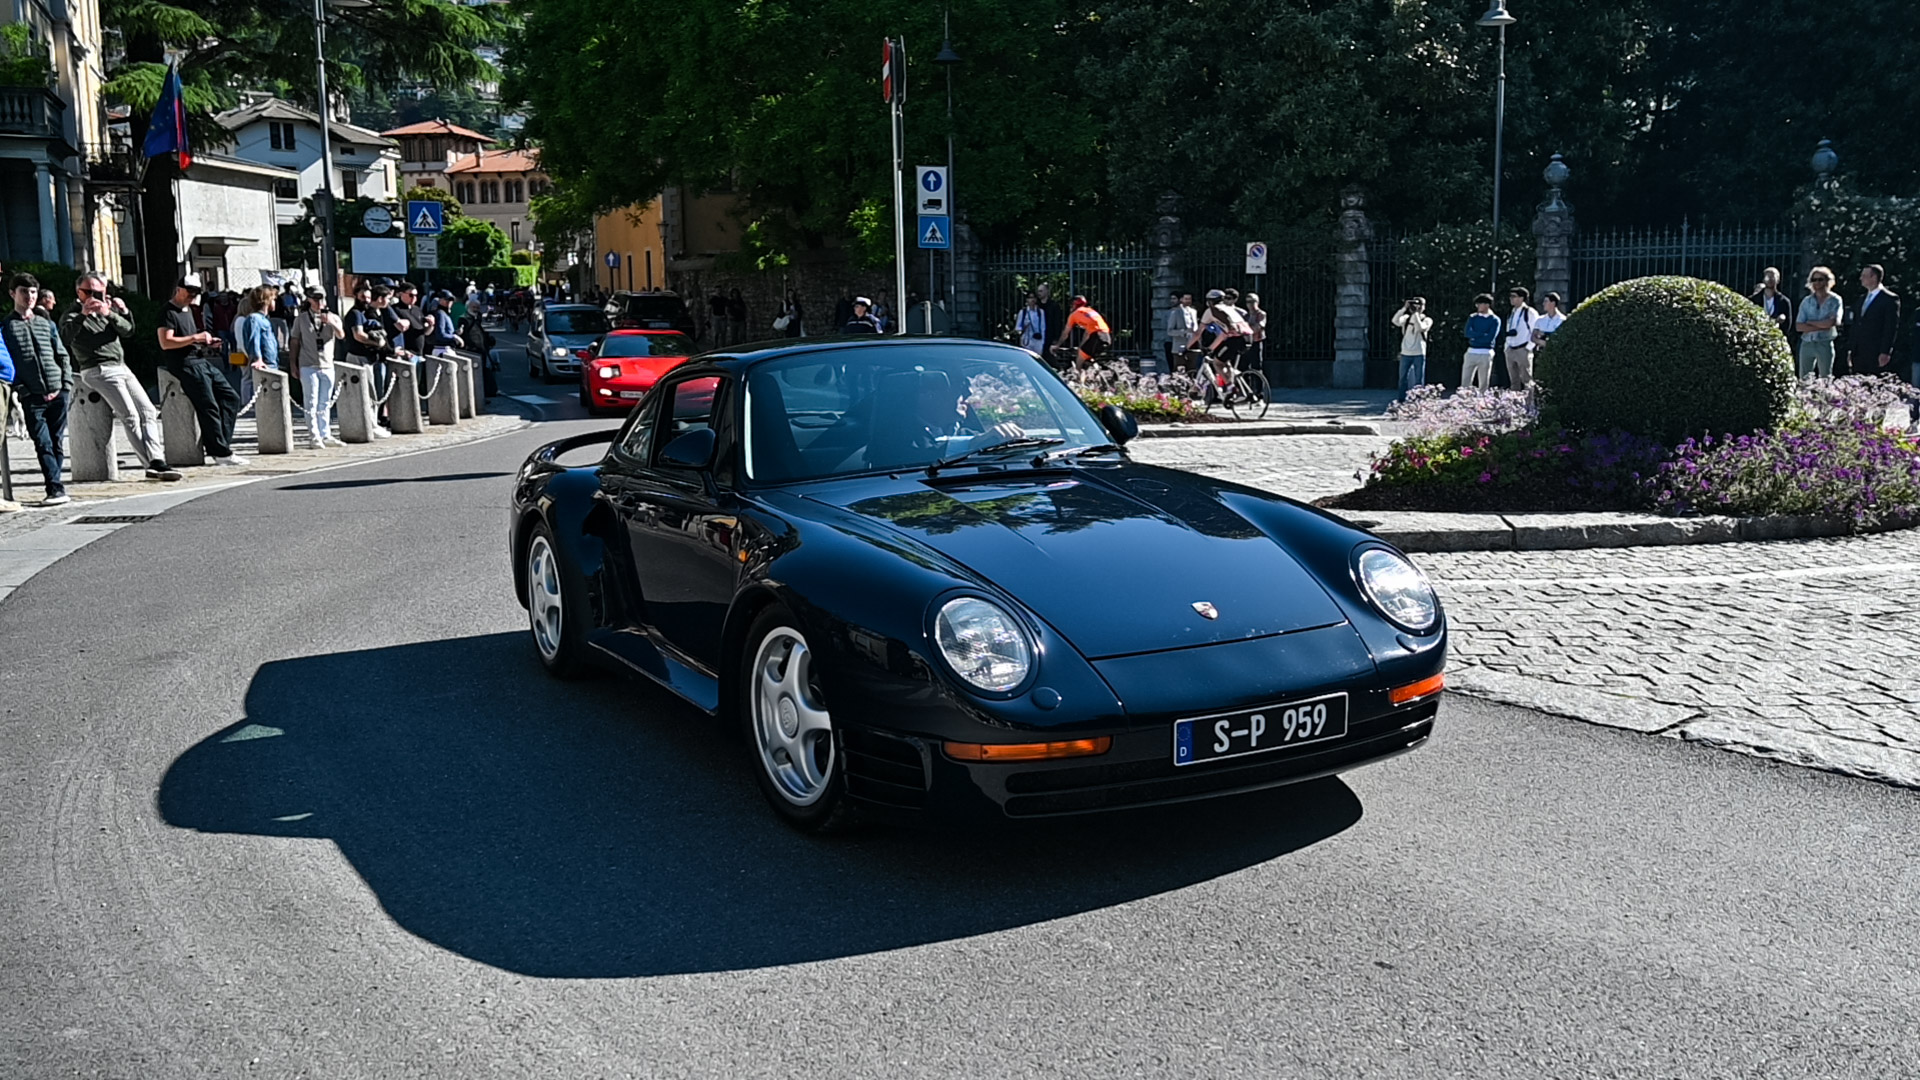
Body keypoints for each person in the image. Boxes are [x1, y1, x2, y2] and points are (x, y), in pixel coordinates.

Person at [60, 272, 180, 481]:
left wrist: (116, 312)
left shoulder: (107, 310)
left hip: (121, 367)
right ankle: (151, 464)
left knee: (148, 410)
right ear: (78, 292)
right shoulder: (71, 314)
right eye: (88, 292)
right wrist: (83, 315)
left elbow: (128, 331)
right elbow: (66, 337)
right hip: (98, 369)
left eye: (98, 292)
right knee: (130, 415)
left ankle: (157, 459)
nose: (93, 297)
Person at [158, 275, 245, 466]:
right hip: (184, 364)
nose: (193, 296)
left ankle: (220, 443)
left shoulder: (188, 309)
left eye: (196, 293)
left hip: (199, 359)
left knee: (230, 397)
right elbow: (166, 342)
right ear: (179, 289)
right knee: (209, 406)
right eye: (190, 292)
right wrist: (196, 338)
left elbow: (190, 339)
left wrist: (207, 343)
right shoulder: (168, 312)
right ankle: (220, 452)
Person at [2, 273, 74, 502]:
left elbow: (61, 354)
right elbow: (7, 361)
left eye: (33, 292)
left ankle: (56, 484)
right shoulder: (6, 327)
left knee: (56, 442)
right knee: (42, 442)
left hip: (57, 390)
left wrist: (66, 384)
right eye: (24, 291)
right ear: (13, 294)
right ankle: (54, 488)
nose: (30, 297)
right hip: (31, 394)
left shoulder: (46, 323)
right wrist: (21, 388)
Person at [287, 286, 343, 448]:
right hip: (308, 364)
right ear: (309, 300)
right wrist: (293, 364)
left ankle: (326, 433)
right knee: (311, 401)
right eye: (315, 299)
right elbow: (295, 341)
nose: (319, 303)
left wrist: (331, 322)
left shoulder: (332, 317)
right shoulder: (302, 319)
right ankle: (314, 435)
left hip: (327, 364)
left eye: (322, 299)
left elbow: (341, 335)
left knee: (325, 402)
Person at [1846, 263, 1900, 377]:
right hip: (1858, 353)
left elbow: (1890, 327)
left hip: (1876, 352)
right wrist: (1852, 349)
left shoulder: (1889, 299)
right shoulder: (1861, 300)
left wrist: (1885, 352)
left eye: (1864, 275)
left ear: (1874, 277)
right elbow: (1856, 325)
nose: (1861, 278)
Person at [1794, 267, 1843, 379]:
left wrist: (1810, 323)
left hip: (1824, 343)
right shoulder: (1806, 301)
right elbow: (1799, 326)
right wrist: (1822, 324)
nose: (1817, 283)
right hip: (1807, 343)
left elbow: (1834, 322)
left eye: (1820, 279)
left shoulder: (1835, 300)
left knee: (1825, 377)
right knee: (1804, 378)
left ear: (1827, 280)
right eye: (1814, 280)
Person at [1054, 295, 1114, 370]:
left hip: (1096, 336)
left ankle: (1079, 378)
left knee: (1079, 360)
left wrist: (1057, 345)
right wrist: (1081, 347)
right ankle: (1095, 374)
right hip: (1106, 337)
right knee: (1087, 356)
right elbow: (1087, 334)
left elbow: (1065, 333)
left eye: (1071, 304)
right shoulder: (1090, 311)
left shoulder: (1074, 314)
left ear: (1074, 304)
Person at [1391, 297, 1432, 402]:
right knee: (1402, 379)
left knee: (1419, 379)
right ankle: (1401, 399)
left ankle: (1418, 400)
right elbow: (1395, 321)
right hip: (1406, 352)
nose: (1416, 307)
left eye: (1419, 305)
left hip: (1419, 352)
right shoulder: (1406, 318)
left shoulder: (1426, 319)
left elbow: (1421, 328)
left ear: (1424, 306)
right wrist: (1404, 308)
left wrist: (1417, 315)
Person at [235, 284, 281, 375]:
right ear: (267, 301)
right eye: (273, 300)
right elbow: (254, 339)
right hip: (264, 365)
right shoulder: (254, 318)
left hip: (271, 363)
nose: (275, 302)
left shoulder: (264, 319)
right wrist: (258, 359)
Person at [1462, 294, 1501, 390]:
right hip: (1471, 351)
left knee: (1483, 381)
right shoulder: (1473, 317)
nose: (1478, 307)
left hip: (1486, 352)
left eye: (1480, 304)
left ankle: (1482, 400)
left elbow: (1490, 338)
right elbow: (1467, 333)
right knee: (1465, 380)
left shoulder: (1494, 319)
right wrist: (1482, 334)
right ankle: (1463, 400)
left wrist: (1475, 336)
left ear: (1487, 305)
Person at [1503, 286, 1539, 391]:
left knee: (1527, 380)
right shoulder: (1512, 312)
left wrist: (1528, 347)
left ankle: (1529, 404)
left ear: (1522, 298)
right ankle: (1514, 405)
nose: (1511, 298)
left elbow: (1535, 330)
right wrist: (1507, 347)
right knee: (1513, 381)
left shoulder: (1530, 312)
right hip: (1511, 349)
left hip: (1523, 349)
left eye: (1514, 296)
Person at [1751, 268, 1793, 341]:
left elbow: (1787, 326)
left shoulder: (1784, 301)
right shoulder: (1753, 300)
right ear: (1763, 280)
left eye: (1773, 276)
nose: (1770, 279)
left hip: (1776, 338)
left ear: (1778, 280)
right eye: (1767, 276)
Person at [1164, 292, 1197, 370]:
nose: (1188, 301)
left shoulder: (1193, 311)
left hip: (1192, 346)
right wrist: (1184, 332)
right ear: (1181, 300)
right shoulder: (1174, 313)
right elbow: (1170, 331)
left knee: (1192, 370)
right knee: (1179, 371)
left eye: (1189, 299)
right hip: (1179, 347)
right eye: (1186, 299)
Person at [1243, 291, 1268, 373]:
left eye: (1252, 301)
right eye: (1247, 302)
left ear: (1257, 302)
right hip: (1246, 343)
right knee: (1244, 366)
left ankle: (1258, 385)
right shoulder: (1245, 315)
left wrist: (1246, 328)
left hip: (1256, 342)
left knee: (1256, 366)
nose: (1249, 304)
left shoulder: (1261, 314)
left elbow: (1259, 326)